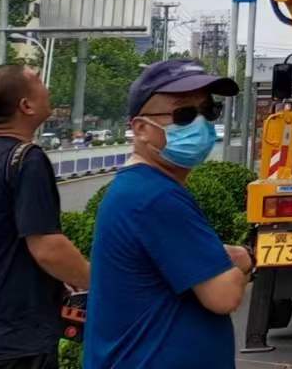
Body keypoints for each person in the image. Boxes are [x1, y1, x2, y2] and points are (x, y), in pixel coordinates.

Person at [85, 59, 251, 369]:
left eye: (209, 111)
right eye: (184, 114)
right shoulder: (155, 197)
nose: (200, 125)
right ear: (141, 129)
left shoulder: (140, 189)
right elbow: (224, 295)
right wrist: (244, 260)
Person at [0, 63, 93, 369]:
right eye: (39, 82)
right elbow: (48, 248)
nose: (47, 89)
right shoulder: (27, 159)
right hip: (14, 342)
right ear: (26, 106)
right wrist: (101, 283)